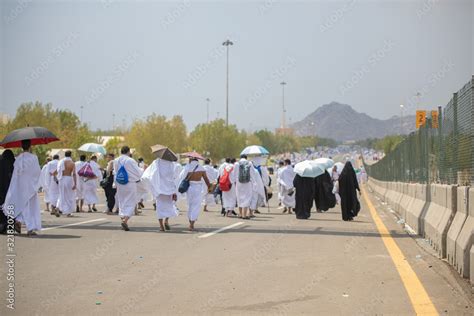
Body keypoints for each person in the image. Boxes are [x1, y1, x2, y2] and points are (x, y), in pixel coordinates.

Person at [3, 140, 41, 236]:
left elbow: (16, 174)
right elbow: (37, 171)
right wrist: (35, 183)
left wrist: (15, 185)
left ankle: (19, 220)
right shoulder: (34, 158)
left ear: (21, 146)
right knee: (31, 206)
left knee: (21, 204)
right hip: (30, 185)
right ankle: (30, 228)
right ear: (30, 146)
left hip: (20, 185)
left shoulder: (18, 158)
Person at [142, 157, 180, 232]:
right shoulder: (171, 164)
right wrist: (174, 191)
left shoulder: (156, 162)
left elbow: (150, 174)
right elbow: (173, 177)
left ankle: (161, 226)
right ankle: (166, 221)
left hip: (159, 188)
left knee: (159, 207)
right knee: (169, 206)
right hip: (169, 188)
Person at [114, 146, 143, 231]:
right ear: (128, 151)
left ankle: (123, 217)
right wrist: (141, 172)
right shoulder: (130, 160)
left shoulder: (116, 160)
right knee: (131, 202)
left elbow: (115, 172)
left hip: (120, 183)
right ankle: (125, 220)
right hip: (130, 183)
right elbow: (137, 172)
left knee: (122, 200)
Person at [180, 158, 211, 231]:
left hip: (190, 188)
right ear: (197, 161)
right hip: (198, 189)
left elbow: (182, 178)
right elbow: (206, 179)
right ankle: (191, 224)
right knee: (196, 205)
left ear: (191, 161)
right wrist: (209, 186)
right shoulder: (201, 168)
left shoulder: (188, 168)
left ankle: (190, 221)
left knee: (190, 205)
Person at [232, 154, 260, 220]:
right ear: (246, 158)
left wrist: (234, 182)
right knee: (247, 197)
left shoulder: (236, 164)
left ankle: (240, 214)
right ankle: (244, 215)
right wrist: (254, 183)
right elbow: (252, 174)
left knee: (239, 197)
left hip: (239, 183)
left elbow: (234, 174)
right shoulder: (249, 163)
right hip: (248, 183)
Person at [56, 150, 77, 217]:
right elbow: (74, 174)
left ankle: (58, 207)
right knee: (69, 195)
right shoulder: (72, 163)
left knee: (61, 194)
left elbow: (58, 171)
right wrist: (75, 184)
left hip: (62, 179)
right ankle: (68, 212)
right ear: (70, 155)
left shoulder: (61, 162)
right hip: (68, 179)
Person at [0, 150, 15, 234]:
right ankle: (10, 226)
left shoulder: (1, 161)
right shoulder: (13, 163)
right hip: (10, 189)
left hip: (1, 189)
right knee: (10, 207)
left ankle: (1, 225)